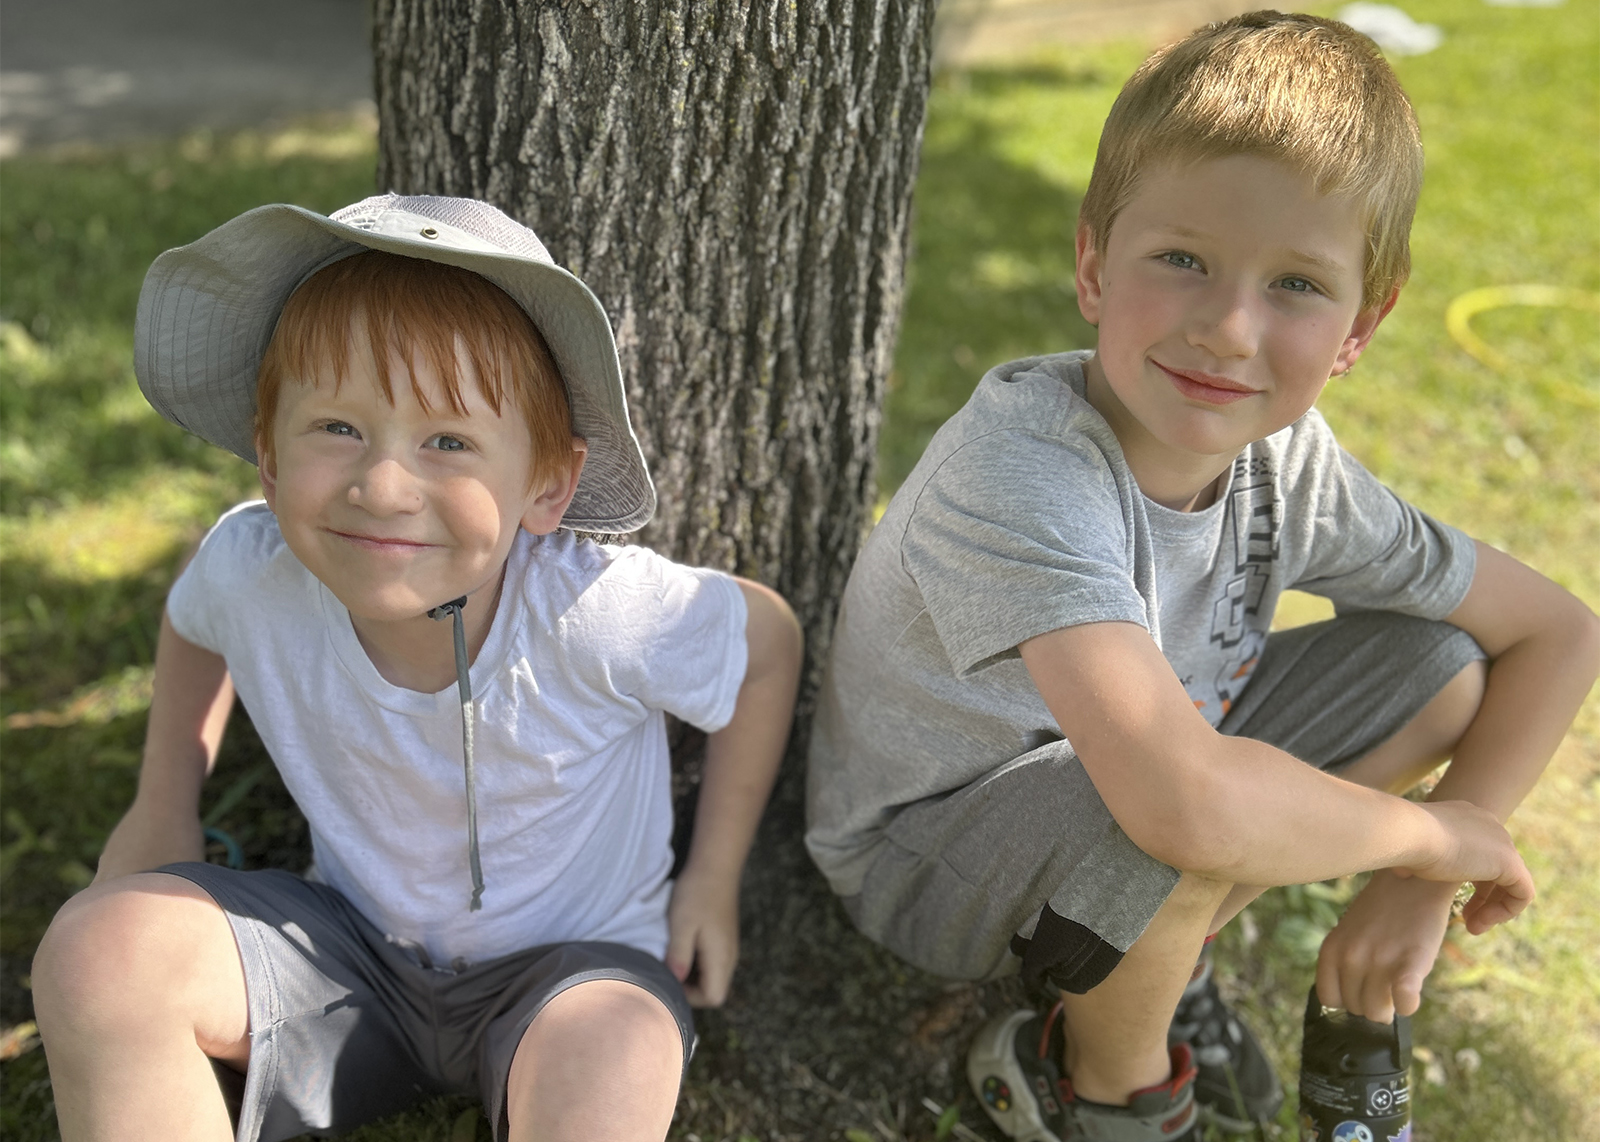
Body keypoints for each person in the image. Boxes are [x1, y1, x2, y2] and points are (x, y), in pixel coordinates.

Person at [804, 12, 1599, 1142]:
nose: (1228, 328)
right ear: (1093, 265)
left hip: (1147, 791)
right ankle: (1105, 1095)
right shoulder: (1020, 468)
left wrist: (1416, 888)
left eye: (1296, 283)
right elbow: (1178, 799)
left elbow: (1558, 632)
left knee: (1441, 669)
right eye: (1182, 260)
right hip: (926, 862)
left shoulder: (1289, 466)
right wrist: (1439, 839)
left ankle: (1162, 954)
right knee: (1170, 812)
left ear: (1361, 327)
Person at [31, 194, 803, 1142]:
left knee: (616, 1051)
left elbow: (766, 646)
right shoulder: (253, 569)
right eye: (337, 428)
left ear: (549, 485)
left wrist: (712, 875)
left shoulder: (598, 612)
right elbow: (197, 619)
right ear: (267, 455)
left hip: (570, 981)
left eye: (449, 442)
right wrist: (163, 802)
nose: (384, 486)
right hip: (345, 957)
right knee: (98, 952)